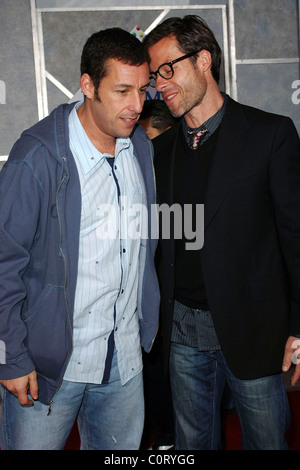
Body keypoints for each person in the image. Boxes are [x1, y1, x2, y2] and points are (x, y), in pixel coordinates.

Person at [142, 15, 300, 450]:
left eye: (168, 69)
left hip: (254, 329)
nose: (160, 84)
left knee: (266, 441)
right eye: (155, 75)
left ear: (203, 60)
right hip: (181, 335)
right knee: (193, 445)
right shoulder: (158, 150)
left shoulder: (270, 134)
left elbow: (296, 238)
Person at [0, 27, 160, 450]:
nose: (136, 106)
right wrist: (10, 357)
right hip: (49, 365)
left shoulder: (139, 147)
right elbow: (4, 262)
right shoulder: (36, 156)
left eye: (143, 90)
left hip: (124, 362)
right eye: (122, 91)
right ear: (88, 86)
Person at [139, 99, 177, 451]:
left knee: (161, 370)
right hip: (147, 294)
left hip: (170, 297)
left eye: (148, 136)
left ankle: (166, 439)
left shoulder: (172, 170)